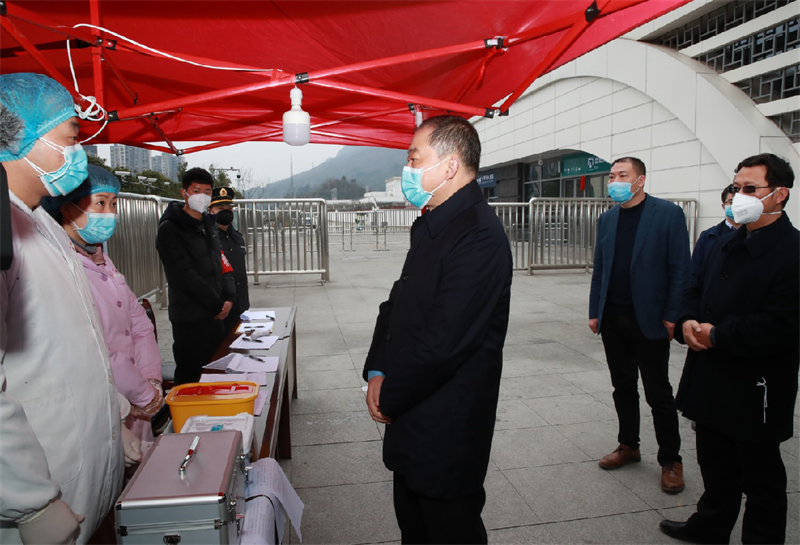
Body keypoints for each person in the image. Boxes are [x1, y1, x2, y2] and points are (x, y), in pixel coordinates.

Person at [0, 73, 137, 545]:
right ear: (20, 135)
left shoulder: (41, 223)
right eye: (69, 138)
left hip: (84, 460)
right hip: (39, 477)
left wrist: (115, 414)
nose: (77, 152)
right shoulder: (5, 230)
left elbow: (83, 344)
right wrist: (30, 500)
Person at [363, 115, 512, 544]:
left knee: (449, 528)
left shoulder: (479, 235)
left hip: (447, 420)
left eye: (414, 158)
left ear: (449, 166)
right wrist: (377, 370)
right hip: (412, 404)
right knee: (414, 526)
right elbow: (396, 303)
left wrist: (390, 394)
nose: (407, 169)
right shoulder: (434, 223)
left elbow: (445, 342)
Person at [662, 153, 800, 544]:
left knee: (761, 476)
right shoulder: (725, 241)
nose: (739, 196)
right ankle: (709, 526)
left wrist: (718, 335)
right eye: (736, 188)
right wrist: (686, 322)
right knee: (715, 462)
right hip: (711, 375)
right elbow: (694, 289)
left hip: (757, 383)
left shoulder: (793, 251)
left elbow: (782, 325)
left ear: (779, 194)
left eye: (750, 189)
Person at [588, 156, 690, 493]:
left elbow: (680, 268)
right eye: (611, 176)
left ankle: (671, 460)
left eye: (623, 175)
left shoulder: (668, 214)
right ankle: (628, 445)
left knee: (658, 392)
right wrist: (595, 311)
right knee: (623, 387)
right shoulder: (607, 219)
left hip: (650, 318)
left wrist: (673, 314)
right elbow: (600, 268)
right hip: (613, 318)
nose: (615, 181)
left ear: (640, 180)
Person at [41, 165, 164, 442]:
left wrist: (150, 378)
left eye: (114, 204)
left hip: (137, 394)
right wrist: (143, 393)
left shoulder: (100, 257)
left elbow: (138, 323)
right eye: (100, 203)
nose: (110, 213)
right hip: (101, 401)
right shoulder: (59, 265)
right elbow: (96, 348)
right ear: (67, 207)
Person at [156, 167, 236, 385]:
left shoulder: (208, 225)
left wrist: (228, 299)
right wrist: (217, 304)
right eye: (197, 191)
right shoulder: (170, 229)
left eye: (207, 192)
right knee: (191, 376)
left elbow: (219, 264)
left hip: (215, 315)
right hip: (190, 317)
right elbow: (182, 276)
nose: (202, 196)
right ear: (184, 193)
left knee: (215, 372)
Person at [209, 187, 249, 334]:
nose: (226, 212)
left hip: (240, 304)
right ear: (211, 211)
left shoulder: (237, 237)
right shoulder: (208, 238)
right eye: (220, 208)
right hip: (221, 306)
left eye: (229, 208)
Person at [690, 185, 739, 283]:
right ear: (723, 206)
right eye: (731, 202)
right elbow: (695, 272)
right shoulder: (709, 236)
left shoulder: (756, 234)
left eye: (739, 202)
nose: (736, 206)